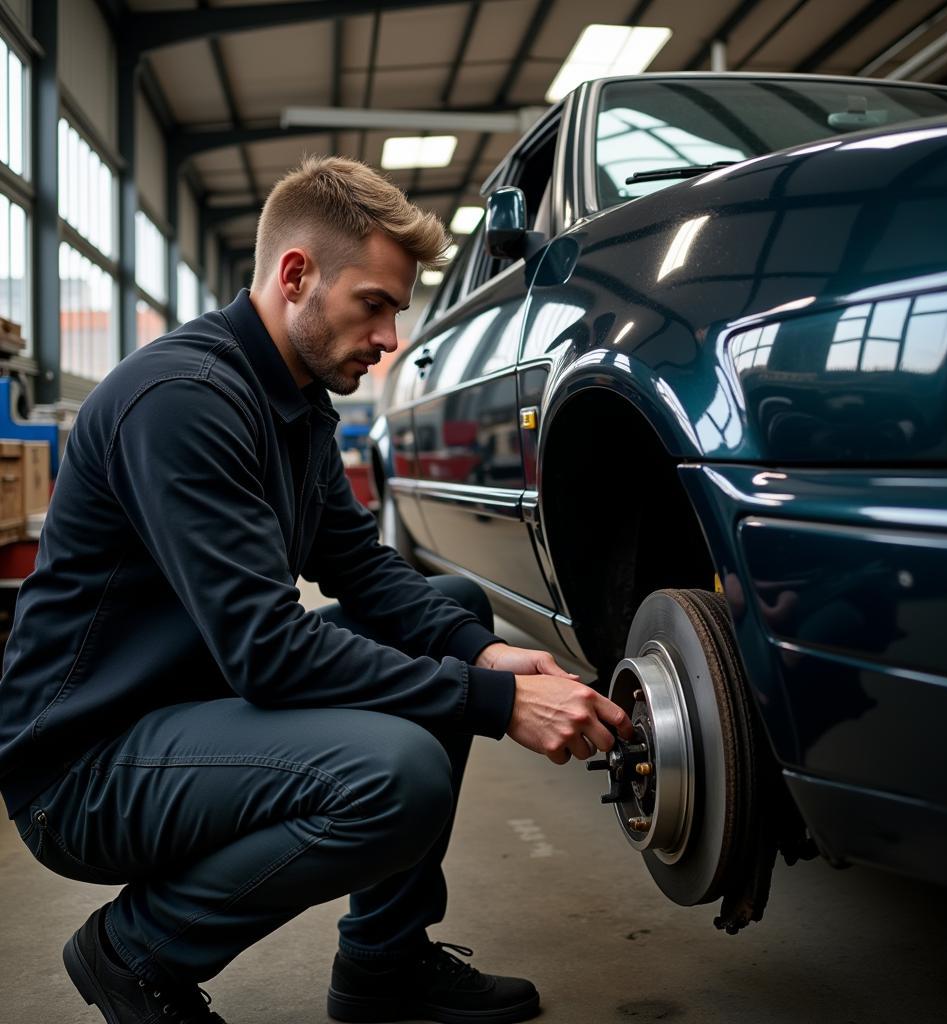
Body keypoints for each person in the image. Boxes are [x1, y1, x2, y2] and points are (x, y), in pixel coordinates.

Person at [0, 156, 632, 1024]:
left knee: (452, 613)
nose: (388, 338)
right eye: (373, 305)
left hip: (192, 705)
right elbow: (268, 651)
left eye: (395, 312)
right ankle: (134, 954)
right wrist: (493, 701)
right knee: (396, 775)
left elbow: (361, 566)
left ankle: (385, 962)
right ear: (295, 275)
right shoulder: (185, 399)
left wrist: (487, 655)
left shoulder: (291, 402)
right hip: (85, 766)